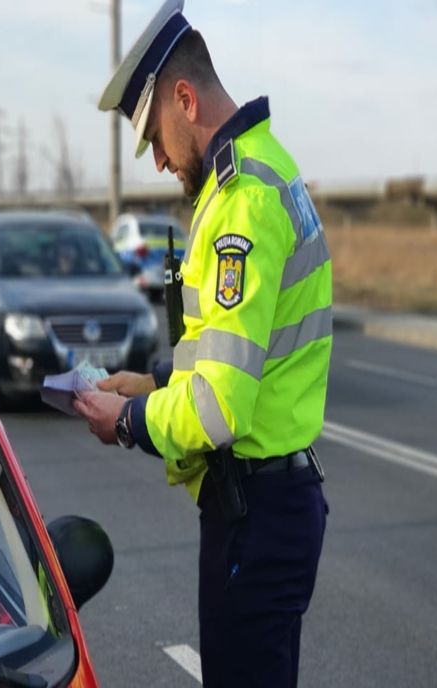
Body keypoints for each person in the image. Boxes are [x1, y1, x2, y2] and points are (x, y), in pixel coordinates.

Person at [73, 1, 332, 685]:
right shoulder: (267, 165)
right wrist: (155, 387)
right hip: (273, 507)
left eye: (155, 136)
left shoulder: (240, 200)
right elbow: (236, 357)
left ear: (184, 97)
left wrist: (126, 420)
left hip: (256, 514)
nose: (157, 160)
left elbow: (216, 409)